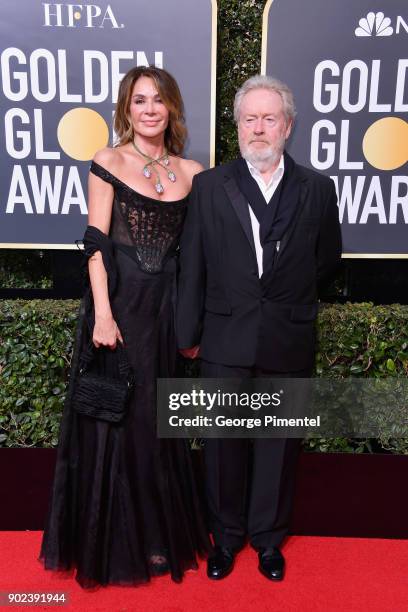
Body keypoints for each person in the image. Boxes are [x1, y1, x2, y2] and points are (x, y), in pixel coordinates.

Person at [39, 66, 210, 589]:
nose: (150, 109)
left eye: (159, 100)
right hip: (120, 309)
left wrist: (192, 321)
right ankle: (115, 544)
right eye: (140, 101)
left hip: (166, 313)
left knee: (157, 428)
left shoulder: (194, 172)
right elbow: (96, 243)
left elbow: (199, 256)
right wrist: (104, 314)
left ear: (172, 108)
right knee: (117, 423)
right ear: (126, 109)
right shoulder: (108, 160)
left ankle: (157, 539)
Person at [177, 75, 342, 581]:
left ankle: (269, 540)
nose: (259, 128)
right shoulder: (209, 186)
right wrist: (189, 334)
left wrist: (285, 302)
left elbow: (326, 261)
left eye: (270, 118)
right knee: (222, 445)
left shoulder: (317, 187)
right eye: (250, 118)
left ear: (288, 125)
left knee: (279, 443)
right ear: (238, 126)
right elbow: (194, 266)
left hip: (287, 336)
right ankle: (225, 538)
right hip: (225, 337)